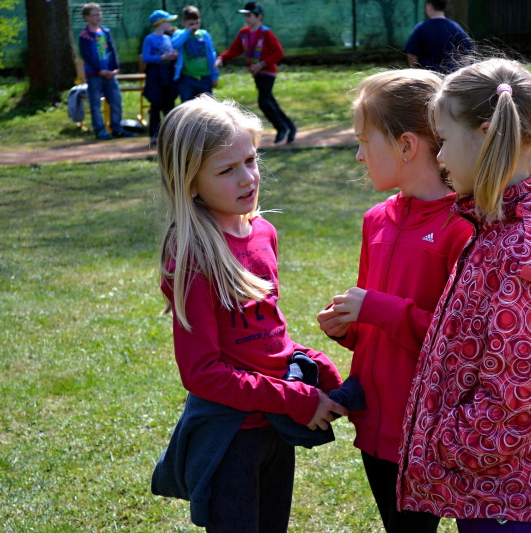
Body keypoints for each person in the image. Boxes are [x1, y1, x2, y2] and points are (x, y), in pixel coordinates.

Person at [396, 58, 531, 532]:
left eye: (444, 141)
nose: (439, 157)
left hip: (500, 494)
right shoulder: (496, 226)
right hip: (482, 486)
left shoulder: (524, 249)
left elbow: (522, 395)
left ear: (485, 135)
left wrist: (446, 442)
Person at [154, 94, 348, 532]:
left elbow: (265, 332)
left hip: (275, 427)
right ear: (189, 182)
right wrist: (295, 398)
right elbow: (203, 373)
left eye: (251, 160)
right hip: (229, 436)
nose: (247, 178)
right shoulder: (193, 256)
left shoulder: (263, 232)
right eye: (226, 170)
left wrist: (310, 360)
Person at [316, 70, 472, 533]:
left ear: (406, 146)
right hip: (373, 427)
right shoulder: (375, 220)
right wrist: (349, 328)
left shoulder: (462, 229)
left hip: (426, 431)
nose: (358, 154)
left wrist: (376, 309)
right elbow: (374, 325)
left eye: (365, 141)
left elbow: (458, 343)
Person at [215, 2, 297, 144]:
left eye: (250, 15)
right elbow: (235, 50)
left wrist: (261, 64)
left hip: (267, 73)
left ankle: (281, 128)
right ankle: (290, 127)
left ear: (259, 16)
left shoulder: (266, 33)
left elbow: (279, 52)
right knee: (270, 102)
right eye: (246, 15)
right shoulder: (244, 33)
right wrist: (221, 58)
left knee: (263, 102)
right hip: (257, 74)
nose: (247, 18)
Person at [78, 2, 135, 140]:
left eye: (99, 14)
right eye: (94, 15)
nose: (98, 17)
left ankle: (117, 128)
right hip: (94, 75)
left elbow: (112, 50)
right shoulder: (85, 35)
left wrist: (115, 68)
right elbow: (87, 56)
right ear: (86, 17)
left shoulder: (106, 32)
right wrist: (99, 71)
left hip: (110, 74)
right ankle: (100, 130)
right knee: (95, 104)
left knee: (116, 100)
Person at [404, 0, 475, 74]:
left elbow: (412, 55)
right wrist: (462, 74)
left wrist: (416, 72)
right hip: (450, 76)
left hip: (428, 76)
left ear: (430, 6)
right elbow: (466, 54)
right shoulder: (455, 27)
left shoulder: (421, 28)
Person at [142, 9, 179, 146]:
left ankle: (171, 136)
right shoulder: (150, 38)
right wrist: (162, 57)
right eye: (168, 21)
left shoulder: (168, 38)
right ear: (160, 23)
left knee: (169, 105)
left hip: (167, 75)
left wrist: (173, 56)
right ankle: (155, 136)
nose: (170, 24)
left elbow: (171, 54)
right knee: (156, 105)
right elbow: (146, 57)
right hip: (155, 76)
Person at [171, 5, 220, 103]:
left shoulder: (204, 35)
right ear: (183, 22)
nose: (195, 26)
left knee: (208, 106)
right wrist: (188, 31)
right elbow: (175, 44)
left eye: (197, 23)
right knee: (187, 106)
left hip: (205, 78)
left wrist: (214, 75)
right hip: (187, 78)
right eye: (191, 24)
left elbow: (212, 55)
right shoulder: (180, 34)